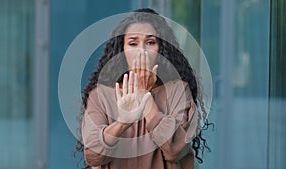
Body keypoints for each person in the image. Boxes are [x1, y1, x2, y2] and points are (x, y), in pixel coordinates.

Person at [76, 8, 211, 169]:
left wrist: (143, 94)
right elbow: (93, 155)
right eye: (133, 43)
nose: (142, 51)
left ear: (161, 49)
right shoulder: (101, 95)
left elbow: (176, 149)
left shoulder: (178, 90)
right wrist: (123, 122)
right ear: (121, 50)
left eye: (150, 42)